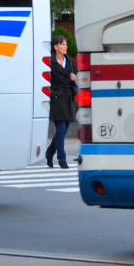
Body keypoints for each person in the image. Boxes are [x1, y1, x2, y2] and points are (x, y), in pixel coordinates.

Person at [46, 34, 77, 168]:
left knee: (62, 131)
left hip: (68, 98)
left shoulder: (70, 61)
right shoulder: (49, 62)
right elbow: (47, 80)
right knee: (60, 129)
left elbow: (77, 77)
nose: (66, 46)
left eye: (65, 44)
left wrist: (74, 79)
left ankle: (49, 153)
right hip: (57, 98)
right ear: (56, 47)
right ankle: (62, 159)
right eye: (63, 44)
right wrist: (53, 94)